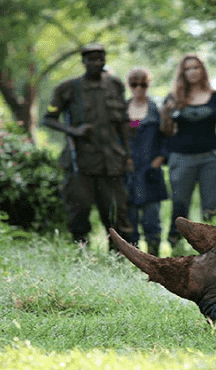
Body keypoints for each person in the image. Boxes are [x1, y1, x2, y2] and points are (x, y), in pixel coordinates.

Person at [43, 43, 133, 249]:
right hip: (80, 161)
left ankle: (118, 256)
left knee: (116, 211)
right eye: (91, 59)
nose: (96, 63)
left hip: (111, 160)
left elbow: (123, 124)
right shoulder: (68, 88)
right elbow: (48, 118)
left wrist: (128, 156)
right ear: (83, 62)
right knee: (78, 211)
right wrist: (74, 131)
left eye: (100, 58)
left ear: (104, 61)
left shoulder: (115, 85)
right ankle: (81, 253)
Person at [160, 53, 216, 249]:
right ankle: (175, 245)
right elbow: (165, 131)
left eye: (196, 67)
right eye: (188, 68)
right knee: (179, 204)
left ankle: (211, 247)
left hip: (210, 159)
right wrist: (167, 114)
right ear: (182, 73)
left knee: (211, 206)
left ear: (202, 70)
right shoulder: (173, 98)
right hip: (180, 159)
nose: (192, 72)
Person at [125, 67, 169, 256]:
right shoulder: (122, 109)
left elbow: (168, 139)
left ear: (148, 85)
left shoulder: (157, 110)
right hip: (128, 171)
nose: (139, 88)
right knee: (129, 219)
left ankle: (153, 259)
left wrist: (159, 160)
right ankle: (133, 259)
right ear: (129, 85)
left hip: (151, 170)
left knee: (152, 219)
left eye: (143, 84)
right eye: (134, 84)